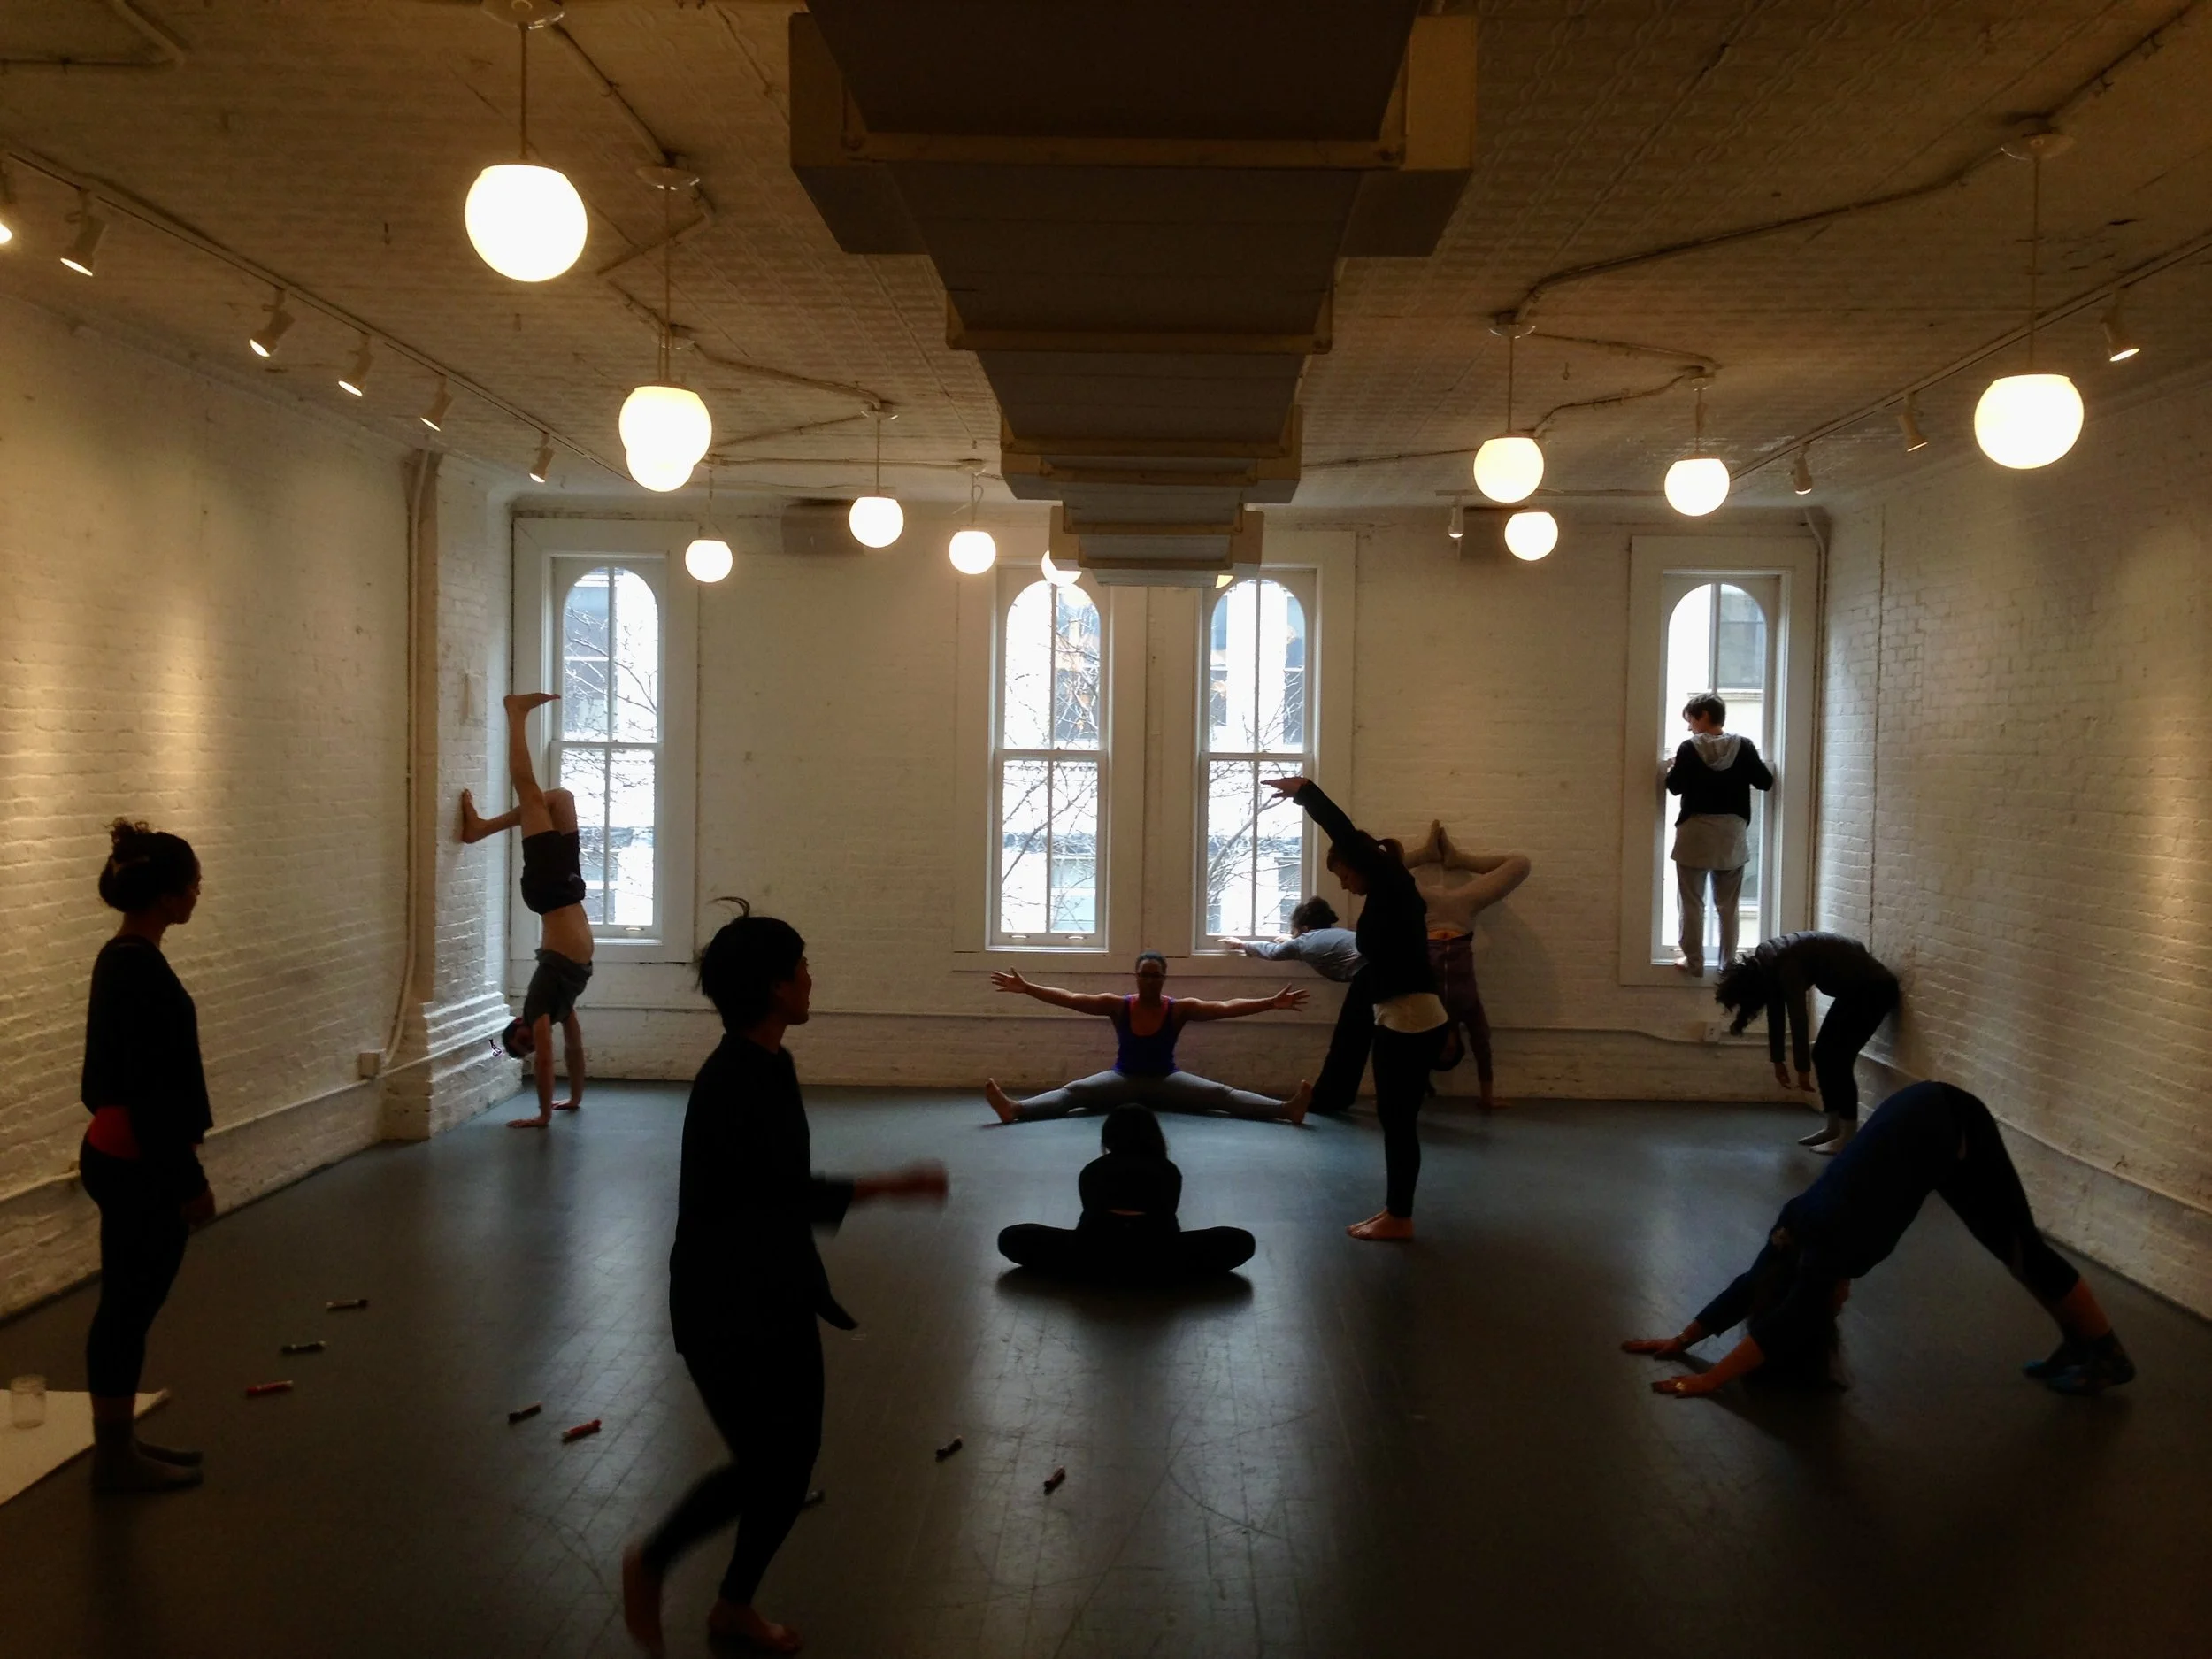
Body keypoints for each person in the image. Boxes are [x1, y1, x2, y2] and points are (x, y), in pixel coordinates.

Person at [622, 903, 948, 1656]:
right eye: (800, 966)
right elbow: (784, 1194)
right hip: (722, 1302)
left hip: (775, 1287)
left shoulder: (772, 1062)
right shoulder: (733, 1081)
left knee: (792, 1458)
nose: (810, 978)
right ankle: (655, 1557)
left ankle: (733, 1605)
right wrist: (894, 1185)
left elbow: (781, 1196)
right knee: (769, 1461)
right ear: (773, 988)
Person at [1622, 1080, 2135, 1399]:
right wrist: (1682, 1339)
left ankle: (2109, 1356)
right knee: (2010, 1250)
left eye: (1832, 1309)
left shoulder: (1827, 1250)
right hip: (1916, 1122)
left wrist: (1711, 1380)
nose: (1841, 1308)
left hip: (1949, 1121)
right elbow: (1748, 1286)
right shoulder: (1793, 1229)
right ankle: (2076, 1342)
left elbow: (1784, 1324)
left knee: (2021, 1248)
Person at [79, 819, 216, 1493]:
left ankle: (119, 1442)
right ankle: (113, 1458)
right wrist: (188, 1179)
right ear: (165, 896)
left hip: (119, 1150)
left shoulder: (121, 956)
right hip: (141, 1162)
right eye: (190, 881)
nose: (197, 891)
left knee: (125, 1307)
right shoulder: (142, 974)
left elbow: (100, 1084)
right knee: (127, 1311)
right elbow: (149, 1092)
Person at [1266, 777, 1448, 1240]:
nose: (1344, 884)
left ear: (1358, 864)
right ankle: (1396, 1212)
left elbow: (1343, 831)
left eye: (1344, 874)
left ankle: (1399, 1217)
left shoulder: (1391, 885)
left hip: (1408, 1015)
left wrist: (1307, 791)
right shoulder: (1390, 894)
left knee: (1398, 1121)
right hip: (1404, 1012)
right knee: (1396, 1120)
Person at [460, 691, 593, 1129]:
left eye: (521, 1042)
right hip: (566, 889)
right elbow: (571, 1047)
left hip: (551, 891)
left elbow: (549, 1054)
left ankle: (514, 714)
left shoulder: (538, 1008)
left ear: (516, 1027)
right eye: (528, 1046)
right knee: (559, 799)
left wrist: (541, 1114)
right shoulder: (557, 1011)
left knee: (530, 791)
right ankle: (480, 829)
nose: (533, 1042)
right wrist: (572, 1099)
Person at [982, 952, 1313, 1125]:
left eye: (1156, 976)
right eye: (1144, 975)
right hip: (1122, 1079)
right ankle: (1016, 1110)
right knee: (1074, 1092)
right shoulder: (1118, 1005)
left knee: (1220, 1095)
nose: (1150, 981)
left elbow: (1224, 1007)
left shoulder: (1179, 1009)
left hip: (1166, 1080)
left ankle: (1287, 1110)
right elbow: (1070, 997)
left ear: (1164, 977)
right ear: (1136, 977)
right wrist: (1027, 989)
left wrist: (1270, 1002)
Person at [997, 1105, 1256, 1282]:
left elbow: (1091, 1218)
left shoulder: (1094, 1170)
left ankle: (1100, 1273)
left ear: (1108, 1137)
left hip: (1092, 1258)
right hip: (1159, 1261)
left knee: (1012, 1237)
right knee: (1240, 1241)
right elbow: (1167, 1219)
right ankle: (1151, 1275)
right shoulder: (1166, 1170)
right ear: (1155, 1138)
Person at [1717, 931, 1901, 1153]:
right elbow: (1776, 1014)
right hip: (1853, 990)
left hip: (1874, 990)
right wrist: (1778, 1061)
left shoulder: (1785, 965)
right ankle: (1833, 1128)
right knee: (1822, 1054)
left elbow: (1797, 1017)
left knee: (1841, 1059)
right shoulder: (1766, 963)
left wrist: (1801, 1068)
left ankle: (1848, 1136)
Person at [1403, 821, 1531, 1110]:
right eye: (1452, 1053)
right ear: (1458, 1047)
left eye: (1441, 1053)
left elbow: (1401, 1053)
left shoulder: (1424, 1013)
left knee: (1378, 865)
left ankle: (1424, 854)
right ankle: (1459, 861)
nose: (1447, 1048)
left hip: (1430, 915)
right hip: (1463, 914)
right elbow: (1483, 1048)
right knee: (1521, 864)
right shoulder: (1470, 1010)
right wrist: (1487, 1099)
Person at [1663, 692, 1774, 977]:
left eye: (1691, 720)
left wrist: (1676, 765)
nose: (1689, 727)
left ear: (1703, 716)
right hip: (1731, 835)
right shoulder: (1745, 746)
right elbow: (1765, 781)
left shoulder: (1689, 749)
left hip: (1695, 834)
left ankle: (1694, 962)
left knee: (1691, 903)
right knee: (1728, 905)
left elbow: (1673, 787)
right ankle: (1727, 964)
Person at [1217, 896, 1363, 983]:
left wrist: (1243, 944)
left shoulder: (1305, 941)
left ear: (1305, 928)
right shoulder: (1340, 933)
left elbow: (1274, 952)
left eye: (1293, 931)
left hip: (1371, 974)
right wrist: (1291, 940)